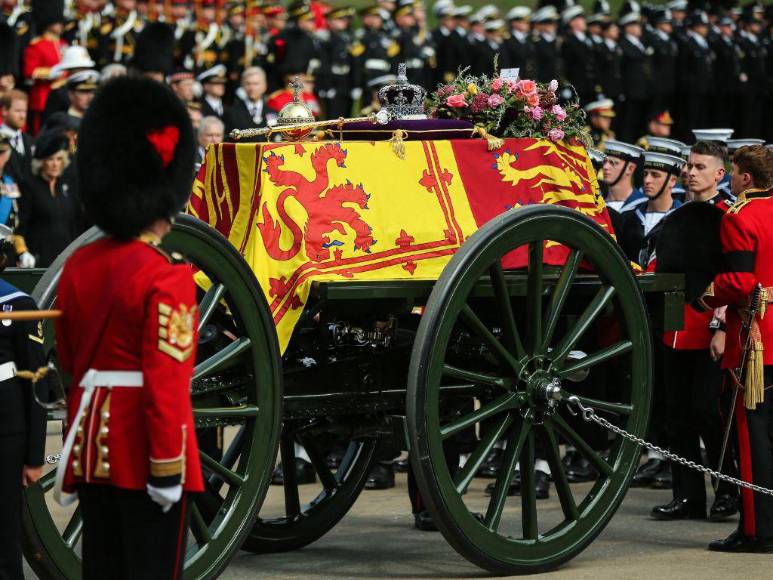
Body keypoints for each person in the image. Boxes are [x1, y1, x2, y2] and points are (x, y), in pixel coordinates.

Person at [54, 75, 203, 578]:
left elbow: (70, 359)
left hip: (93, 445)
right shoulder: (167, 275)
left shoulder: (79, 266)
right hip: (145, 450)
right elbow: (167, 385)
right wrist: (167, 463)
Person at [651, 140, 739, 522]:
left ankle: (728, 489)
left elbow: (733, 275)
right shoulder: (677, 214)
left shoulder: (728, 214)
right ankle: (687, 495)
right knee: (677, 414)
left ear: (720, 173)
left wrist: (720, 325)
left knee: (709, 410)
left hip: (711, 325)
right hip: (674, 323)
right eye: (688, 165)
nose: (690, 171)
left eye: (699, 166)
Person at [695, 144, 773, 553]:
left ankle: (758, 530)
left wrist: (705, 295)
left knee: (750, 435)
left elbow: (739, 283)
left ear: (744, 178)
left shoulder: (740, 217)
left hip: (757, 337)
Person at [0, 234, 47, 580]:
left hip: (6, 427)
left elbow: (36, 383)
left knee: (4, 529)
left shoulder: (18, 303)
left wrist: (34, 456)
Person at [17, 130, 84, 268]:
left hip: (67, 257)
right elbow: (21, 225)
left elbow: (76, 222)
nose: (55, 164)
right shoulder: (29, 186)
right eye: (50, 159)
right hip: (38, 259)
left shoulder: (67, 185)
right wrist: (22, 252)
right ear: (42, 162)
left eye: (59, 159)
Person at [617, 150, 682, 268]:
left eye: (655, 175)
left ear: (672, 181)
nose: (647, 180)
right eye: (645, 174)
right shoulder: (627, 218)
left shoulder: (682, 220)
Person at [23, 0, 67, 135]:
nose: (61, 25)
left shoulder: (63, 44)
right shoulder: (37, 45)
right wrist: (52, 73)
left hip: (63, 96)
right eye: (57, 22)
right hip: (44, 96)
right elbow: (30, 71)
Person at [0, 129, 33, 268]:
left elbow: (17, 225)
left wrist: (22, 251)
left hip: (7, 259)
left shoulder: (11, 183)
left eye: (1, 153)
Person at [224, 66, 277, 140]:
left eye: (255, 84)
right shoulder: (232, 113)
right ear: (243, 86)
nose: (252, 88)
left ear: (264, 86)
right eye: (248, 84)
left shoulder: (273, 113)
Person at [600, 139, 643, 212]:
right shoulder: (595, 201)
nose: (605, 167)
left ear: (630, 168)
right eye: (604, 161)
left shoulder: (642, 205)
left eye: (614, 163)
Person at [0, 90, 33, 185]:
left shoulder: (30, 140)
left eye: (25, 111)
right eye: (18, 111)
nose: (23, 116)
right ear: (4, 111)